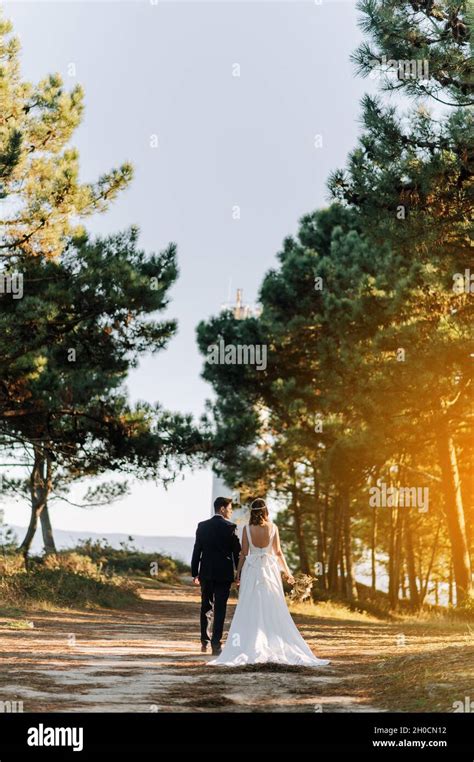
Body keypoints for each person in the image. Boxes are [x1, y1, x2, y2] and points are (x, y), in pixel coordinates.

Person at [208, 498, 330, 667]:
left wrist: (238, 574)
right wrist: (288, 574)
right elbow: (278, 553)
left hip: (252, 571)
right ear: (266, 511)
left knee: (249, 606)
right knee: (273, 605)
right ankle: (271, 643)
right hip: (270, 570)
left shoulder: (247, 529)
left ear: (252, 512)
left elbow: (243, 553)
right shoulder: (273, 528)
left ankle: (248, 644)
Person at [191, 496, 241, 655]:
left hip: (206, 572)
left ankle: (204, 642)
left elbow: (197, 550)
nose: (231, 511)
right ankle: (216, 645)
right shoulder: (231, 527)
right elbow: (237, 554)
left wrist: (195, 572)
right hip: (224, 574)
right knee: (220, 608)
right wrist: (238, 573)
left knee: (206, 607)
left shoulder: (202, 526)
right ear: (222, 509)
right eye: (230, 508)